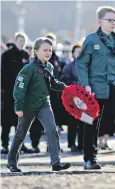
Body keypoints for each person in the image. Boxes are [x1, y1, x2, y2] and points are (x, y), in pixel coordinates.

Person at [7, 37, 71, 172]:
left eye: (50, 50)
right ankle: (12, 162)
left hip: (44, 104)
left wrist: (67, 88)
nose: (48, 53)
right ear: (35, 51)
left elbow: (52, 84)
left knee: (52, 130)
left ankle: (56, 162)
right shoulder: (28, 68)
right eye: (45, 50)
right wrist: (18, 106)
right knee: (21, 134)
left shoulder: (49, 66)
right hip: (27, 106)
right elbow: (19, 88)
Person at [76, 6, 115, 170]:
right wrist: (86, 85)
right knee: (91, 123)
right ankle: (89, 159)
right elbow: (81, 64)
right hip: (94, 88)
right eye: (109, 20)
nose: (113, 23)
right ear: (100, 21)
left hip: (112, 86)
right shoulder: (91, 40)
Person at [1, 32, 32, 154]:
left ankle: (21, 145)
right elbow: (3, 73)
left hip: (22, 93)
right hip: (9, 92)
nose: (22, 43)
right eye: (20, 41)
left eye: (23, 41)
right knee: (7, 121)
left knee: (21, 121)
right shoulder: (7, 55)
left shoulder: (26, 55)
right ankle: (4, 144)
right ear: (15, 41)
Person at [61, 43, 84, 152]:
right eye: (76, 52)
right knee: (73, 122)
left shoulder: (85, 66)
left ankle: (82, 144)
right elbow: (64, 80)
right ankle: (71, 143)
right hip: (73, 98)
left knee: (83, 121)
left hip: (84, 98)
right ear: (73, 53)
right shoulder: (69, 66)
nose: (78, 54)